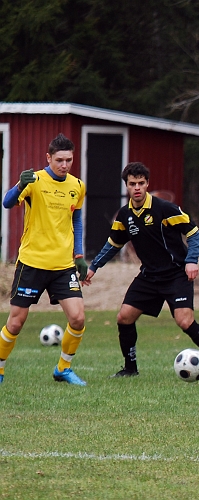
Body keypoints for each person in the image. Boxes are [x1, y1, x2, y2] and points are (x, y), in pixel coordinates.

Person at [85, 162, 199, 377]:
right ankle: (130, 369)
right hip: (149, 276)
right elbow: (113, 243)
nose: (137, 188)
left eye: (141, 183)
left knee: (185, 321)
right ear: (126, 186)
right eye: (132, 184)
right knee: (124, 317)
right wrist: (94, 266)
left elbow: (193, 232)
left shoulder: (164, 209)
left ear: (147, 184)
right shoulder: (124, 215)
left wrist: (191, 260)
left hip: (176, 274)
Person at [0, 133, 89, 385]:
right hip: (32, 263)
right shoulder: (34, 180)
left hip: (63, 266)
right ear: (48, 157)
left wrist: (79, 255)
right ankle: (0, 368)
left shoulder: (77, 185)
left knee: (78, 318)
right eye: (59, 159)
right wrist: (19, 185)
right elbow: (6, 203)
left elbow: (77, 221)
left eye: (69, 160)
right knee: (16, 323)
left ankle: (63, 368)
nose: (64, 165)